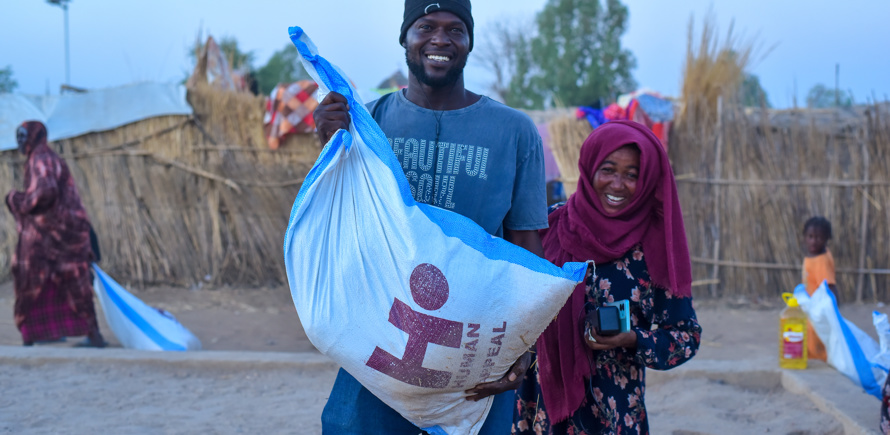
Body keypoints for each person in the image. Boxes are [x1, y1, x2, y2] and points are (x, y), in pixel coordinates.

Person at [312, 0, 547, 433]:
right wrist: (329, 146)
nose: (440, 39)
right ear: (406, 38)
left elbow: (527, 246)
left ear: (469, 42)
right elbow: (337, 220)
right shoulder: (368, 122)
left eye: (455, 29)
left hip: (477, 343)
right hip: (382, 336)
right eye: (425, 26)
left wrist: (524, 343)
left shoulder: (514, 132)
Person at [513, 121, 702, 434]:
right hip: (542, 407)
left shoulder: (654, 246)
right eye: (608, 169)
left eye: (632, 175)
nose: (617, 184)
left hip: (614, 415)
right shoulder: (552, 224)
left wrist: (633, 339)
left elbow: (686, 337)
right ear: (589, 168)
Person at [6, 121, 106, 348]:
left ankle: (86, 335)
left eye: (23, 137)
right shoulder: (40, 158)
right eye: (18, 137)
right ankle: (42, 333)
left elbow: (46, 192)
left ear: (35, 136)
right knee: (54, 279)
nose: (20, 142)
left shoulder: (41, 159)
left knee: (37, 276)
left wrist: (18, 199)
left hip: (62, 235)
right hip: (56, 233)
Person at [801, 216, 835, 362]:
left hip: (819, 308)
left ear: (827, 239)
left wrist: (832, 309)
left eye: (819, 238)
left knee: (815, 334)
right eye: (810, 237)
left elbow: (830, 286)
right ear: (805, 237)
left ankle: (820, 361)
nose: (814, 241)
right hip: (812, 305)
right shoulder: (814, 256)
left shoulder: (820, 261)